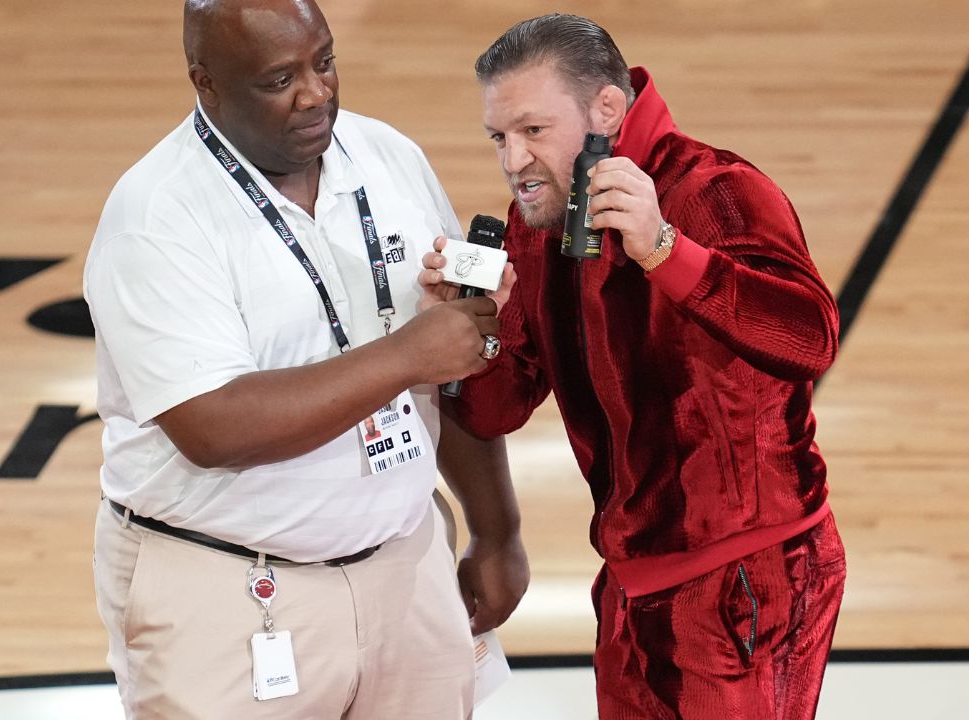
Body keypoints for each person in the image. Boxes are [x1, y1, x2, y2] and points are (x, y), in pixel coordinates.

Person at [83, 1, 528, 717]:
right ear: (208, 84)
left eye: (323, 61)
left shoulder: (389, 157)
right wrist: (406, 355)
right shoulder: (157, 217)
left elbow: (455, 364)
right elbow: (215, 430)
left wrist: (497, 530)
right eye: (278, 78)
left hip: (406, 563)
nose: (316, 93)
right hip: (228, 588)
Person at [420, 13, 845, 720]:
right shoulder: (538, 224)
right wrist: (473, 329)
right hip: (629, 587)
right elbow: (495, 411)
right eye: (499, 136)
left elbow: (810, 340)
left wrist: (664, 249)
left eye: (532, 130)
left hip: (749, 581)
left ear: (606, 111)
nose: (513, 161)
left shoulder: (715, 190)